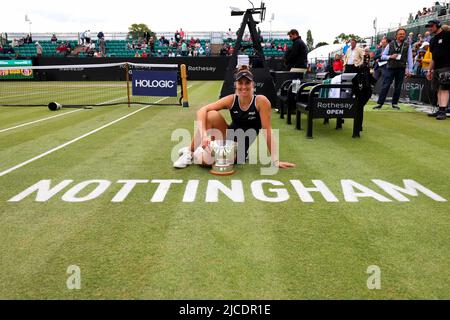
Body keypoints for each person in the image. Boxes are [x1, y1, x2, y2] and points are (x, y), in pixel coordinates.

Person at [173, 66, 296, 169]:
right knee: (211, 114)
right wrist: (205, 135)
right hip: (226, 138)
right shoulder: (232, 99)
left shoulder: (261, 101)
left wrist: (275, 161)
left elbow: (267, 130)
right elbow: (202, 110)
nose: (243, 87)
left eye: (247, 83)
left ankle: (199, 151)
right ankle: (190, 151)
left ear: (253, 84)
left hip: (240, 150)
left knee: (206, 161)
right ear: (235, 84)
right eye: (240, 83)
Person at [373, 28, 414, 110]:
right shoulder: (390, 44)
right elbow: (383, 56)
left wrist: (410, 70)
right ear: (396, 35)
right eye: (400, 34)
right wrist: (390, 56)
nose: (402, 35)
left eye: (403, 34)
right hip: (390, 68)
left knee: (398, 87)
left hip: (401, 68)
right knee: (386, 85)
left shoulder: (407, 45)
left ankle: (395, 104)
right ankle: (380, 103)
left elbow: (410, 58)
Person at [426, 19, 450, 120]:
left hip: (447, 65)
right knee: (438, 89)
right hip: (436, 67)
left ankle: (443, 111)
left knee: (444, 88)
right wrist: (429, 70)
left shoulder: (448, 35)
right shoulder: (432, 40)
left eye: (432, 26)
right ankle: (440, 109)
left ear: (438, 25)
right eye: (429, 26)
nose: (430, 28)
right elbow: (433, 57)